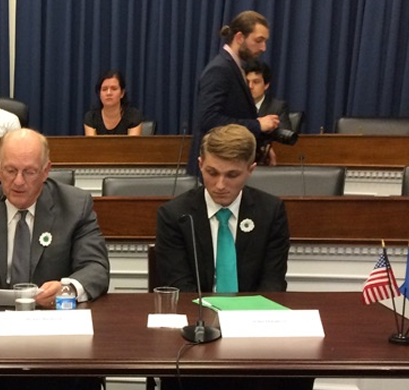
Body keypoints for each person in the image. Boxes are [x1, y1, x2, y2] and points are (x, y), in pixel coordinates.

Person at [0, 128, 109, 390]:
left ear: (46, 170)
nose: (19, 182)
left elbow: (96, 268)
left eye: (29, 172)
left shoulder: (76, 205)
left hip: (56, 343)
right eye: (10, 170)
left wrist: (67, 289)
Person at [157, 124, 311, 390]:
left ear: (251, 170)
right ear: (200, 164)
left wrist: (247, 328)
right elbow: (181, 288)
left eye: (232, 175)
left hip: (254, 330)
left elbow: (273, 284)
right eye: (211, 172)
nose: (220, 185)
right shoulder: (175, 215)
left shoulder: (270, 211)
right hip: (197, 332)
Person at [188, 10, 280, 174]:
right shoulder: (220, 69)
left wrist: (260, 146)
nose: (263, 48)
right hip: (216, 170)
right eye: (259, 41)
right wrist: (258, 125)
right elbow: (209, 120)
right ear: (239, 38)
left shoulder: (235, 67)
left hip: (229, 164)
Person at [84, 70, 143, 136]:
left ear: (122, 93)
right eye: (104, 89)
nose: (109, 93)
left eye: (114, 89)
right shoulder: (91, 117)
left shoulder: (133, 116)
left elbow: (132, 145)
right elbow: (91, 145)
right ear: (99, 94)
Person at [246, 60, 292, 132]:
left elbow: (284, 136)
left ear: (266, 85)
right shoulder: (237, 106)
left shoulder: (278, 108)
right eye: (247, 82)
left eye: (256, 82)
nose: (250, 86)